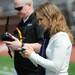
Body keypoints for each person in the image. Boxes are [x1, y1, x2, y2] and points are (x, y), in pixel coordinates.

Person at [20, 2, 74, 75]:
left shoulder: (61, 38)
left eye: (41, 19)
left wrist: (32, 55)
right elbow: (43, 66)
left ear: (50, 17)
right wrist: (29, 55)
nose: (39, 23)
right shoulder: (50, 36)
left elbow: (56, 67)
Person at [4, 0, 44, 75]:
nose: (17, 11)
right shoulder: (20, 24)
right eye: (15, 9)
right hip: (21, 70)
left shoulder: (38, 21)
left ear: (29, 5)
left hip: (34, 70)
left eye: (19, 8)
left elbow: (43, 46)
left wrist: (21, 45)